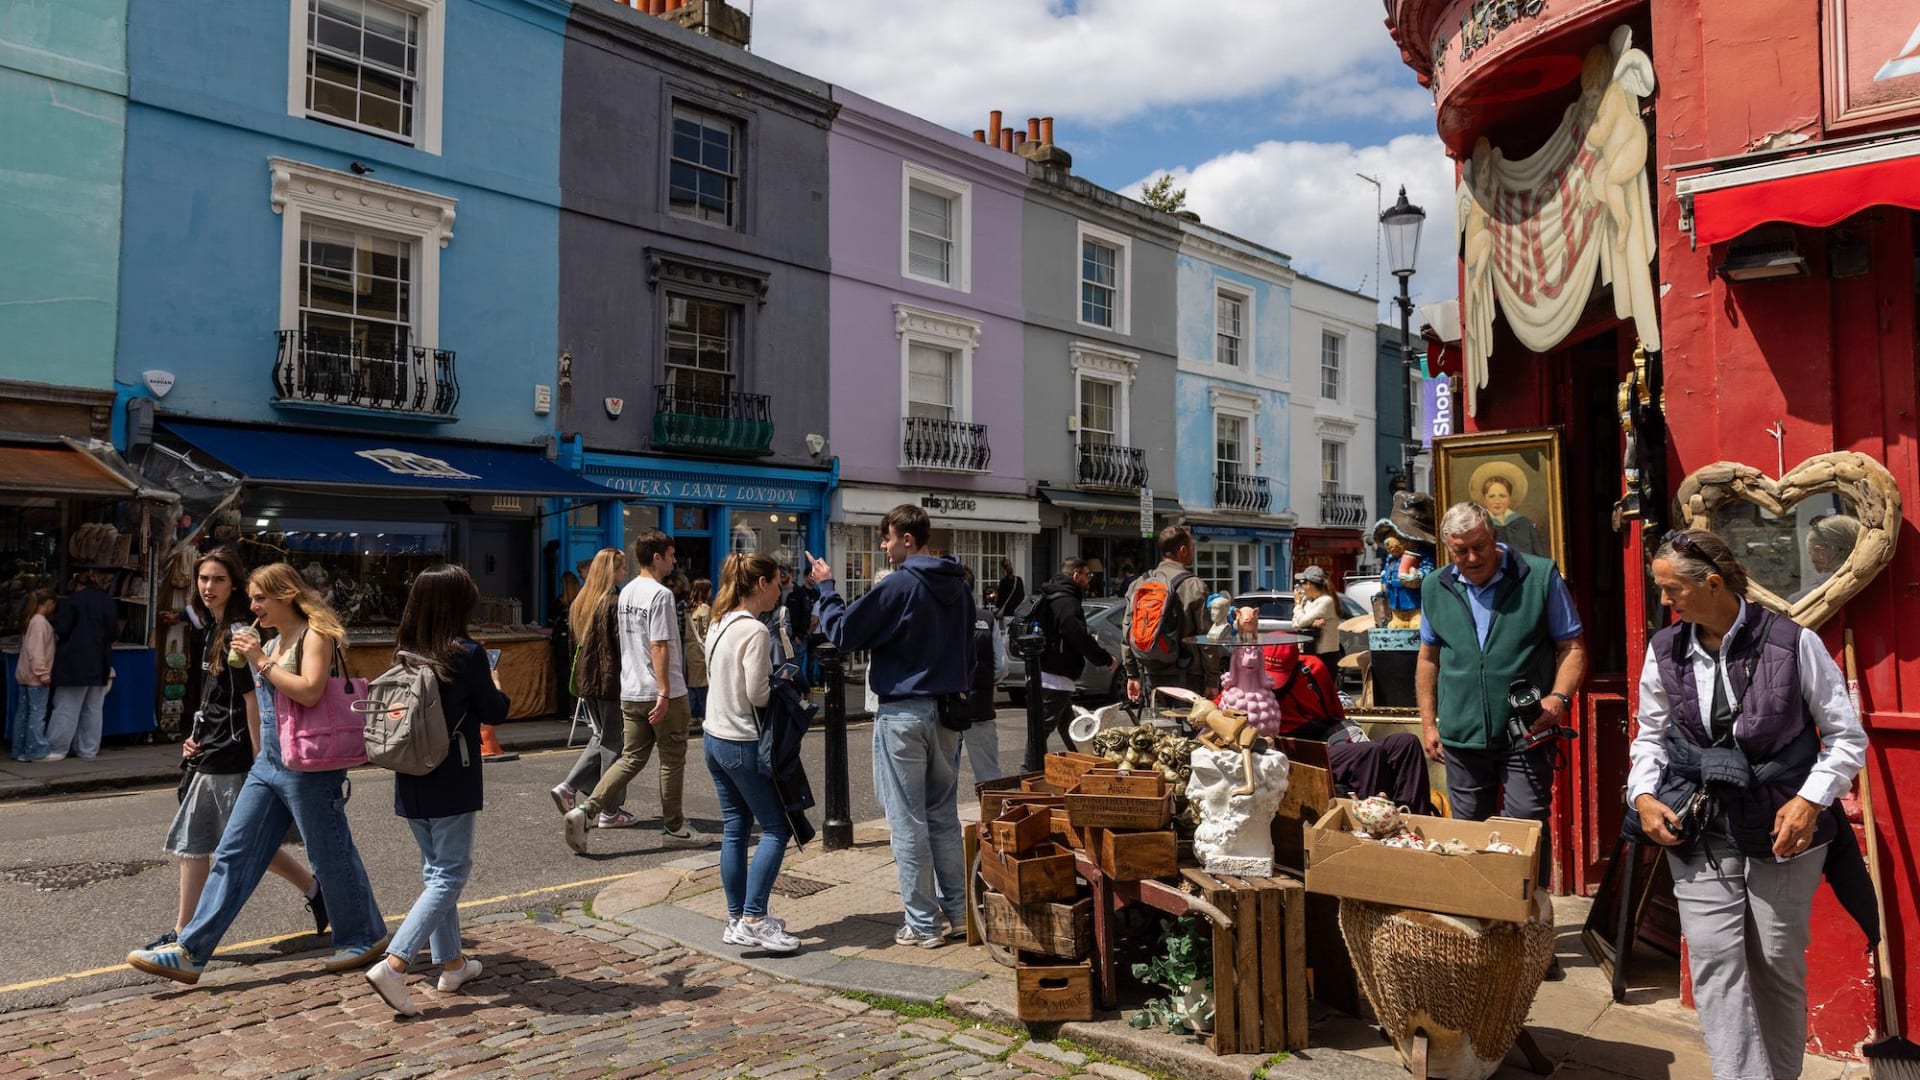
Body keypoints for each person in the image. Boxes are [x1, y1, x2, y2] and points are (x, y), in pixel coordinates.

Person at [1630, 530, 1866, 1080]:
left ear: (1711, 583)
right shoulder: (1666, 648)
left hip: (1784, 824)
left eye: (1671, 590)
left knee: (1776, 962)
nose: (1665, 601)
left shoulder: (1791, 642)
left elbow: (1847, 736)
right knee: (1714, 961)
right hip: (1700, 819)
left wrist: (1811, 801)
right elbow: (1649, 735)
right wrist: (1641, 794)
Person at [127, 563, 387, 985]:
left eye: (260, 598)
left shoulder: (312, 636)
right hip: (268, 764)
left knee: (330, 853)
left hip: (308, 764)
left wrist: (260, 660)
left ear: (286, 595)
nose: (253, 606)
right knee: (233, 852)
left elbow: (310, 691)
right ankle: (191, 950)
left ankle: (364, 935)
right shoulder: (274, 639)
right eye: (251, 598)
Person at [806, 504, 974, 948]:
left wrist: (827, 588)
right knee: (942, 815)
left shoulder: (900, 585)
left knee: (906, 820)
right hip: (947, 712)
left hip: (903, 713)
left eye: (886, 536)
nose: (882, 545)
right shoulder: (959, 585)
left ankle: (922, 924)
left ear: (907, 538)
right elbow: (969, 651)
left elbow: (842, 633)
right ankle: (957, 913)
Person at [146, 549, 325, 953]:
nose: (208, 587)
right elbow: (216, 697)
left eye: (218, 580)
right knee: (218, 842)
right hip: (211, 747)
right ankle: (316, 891)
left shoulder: (241, 633)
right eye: (203, 579)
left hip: (234, 752)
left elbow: (251, 699)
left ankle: (186, 936)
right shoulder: (214, 629)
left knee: (220, 843)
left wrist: (261, 758)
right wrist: (196, 734)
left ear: (236, 585)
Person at [1417, 501, 1585, 900]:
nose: (1472, 558)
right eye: (1461, 550)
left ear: (1494, 537)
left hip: (1526, 731)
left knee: (1525, 829)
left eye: (1479, 546)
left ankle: (1532, 932)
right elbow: (1428, 658)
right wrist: (1429, 722)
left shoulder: (1538, 576)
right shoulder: (1434, 585)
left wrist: (1557, 699)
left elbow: (1573, 647)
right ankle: (1483, 933)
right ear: (1448, 549)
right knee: (1469, 834)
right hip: (1462, 734)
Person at [363, 564, 506, 1016]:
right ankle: (396, 962)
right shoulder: (465, 653)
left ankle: (453, 964)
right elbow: (493, 710)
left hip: (410, 775)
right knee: (449, 874)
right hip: (451, 775)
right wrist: (497, 685)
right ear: (457, 604)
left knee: (435, 872)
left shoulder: (406, 652)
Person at [563, 529, 704, 853]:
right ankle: (673, 827)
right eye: (670, 556)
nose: (673, 562)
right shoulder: (660, 595)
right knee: (671, 761)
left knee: (630, 758)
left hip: (630, 691)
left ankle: (587, 811)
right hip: (661, 692)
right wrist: (665, 692)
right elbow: (658, 645)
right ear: (657, 557)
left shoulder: (625, 593)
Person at [701, 552, 802, 955]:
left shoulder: (718, 621)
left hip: (714, 736)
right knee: (776, 829)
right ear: (760, 584)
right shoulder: (756, 632)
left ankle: (735, 920)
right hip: (743, 740)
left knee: (735, 828)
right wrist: (782, 680)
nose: (781, 587)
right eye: (778, 580)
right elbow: (757, 694)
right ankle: (756, 918)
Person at [1262, 643, 1433, 814]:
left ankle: (1415, 816)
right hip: (1294, 750)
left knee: (1406, 743)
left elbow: (1335, 713)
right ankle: (1374, 822)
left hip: (1325, 739)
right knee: (1368, 753)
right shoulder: (1253, 680)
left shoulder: (1313, 668)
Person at [550, 548, 638, 827]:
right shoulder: (613, 602)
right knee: (615, 746)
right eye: (622, 569)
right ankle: (610, 811)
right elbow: (622, 647)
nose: (624, 574)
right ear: (612, 572)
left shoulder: (581, 601)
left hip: (586, 682)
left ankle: (568, 787)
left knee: (601, 738)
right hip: (610, 683)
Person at [1028, 557, 1115, 769]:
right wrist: (1103, 658)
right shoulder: (1066, 601)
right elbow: (1075, 633)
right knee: (1041, 730)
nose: (1089, 580)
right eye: (1087, 575)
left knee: (1069, 727)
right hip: (1055, 675)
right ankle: (1029, 770)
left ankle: (1084, 766)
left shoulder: (1056, 595)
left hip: (1053, 673)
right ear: (1076, 576)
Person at [1123, 525, 1219, 711]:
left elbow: (1127, 633)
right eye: (1192, 547)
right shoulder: (1194, 586)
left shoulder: (1138, 583)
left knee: (1158, 734)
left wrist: (1132, 675)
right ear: (1182, 550)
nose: (1193, 551)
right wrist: (1212, 679)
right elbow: (1208, 638)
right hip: (1189, 676)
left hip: (1151, 673)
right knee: (1190, 735)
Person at [44, 570, 118, 760]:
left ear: (78, 585)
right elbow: (113, 633)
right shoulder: (107, 601)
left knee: (66, 706)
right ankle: (88, 749)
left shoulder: (73, 601)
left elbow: (63, 628)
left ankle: (57, 748)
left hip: (74, 661)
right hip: (100, 660)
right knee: (93, 708)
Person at [958, 565, 1004, 784]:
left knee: (945, 776)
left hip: (947, 705)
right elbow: (1001, 666)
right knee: (988, 772)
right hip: (981, 703)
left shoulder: (939, 617)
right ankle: (993, 815)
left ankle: (946, 819)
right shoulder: (987, 618)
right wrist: (984, 683)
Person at [12, 588, 57, 761]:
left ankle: (19, 749)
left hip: (24, 675)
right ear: (49, 603)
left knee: (23, 713)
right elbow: (36, 652)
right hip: (35, 678)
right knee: (37, 714)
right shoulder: (40, 623)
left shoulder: (31, 620)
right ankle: (36, 749)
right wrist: (43, 674)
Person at [1474, 467, 1545, 559]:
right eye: (1492, 496)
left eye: (1502, 496)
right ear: (1484, 499)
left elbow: (1539, 558)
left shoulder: (1524, 524)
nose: (1497, 501)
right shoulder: (1480, 525)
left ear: (1510, 498)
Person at [1789, 512, 1860, 602]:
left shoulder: (1799, 603)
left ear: (1821, 554)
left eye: (1811, 553)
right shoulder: (1880, 586)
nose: (1811, 561)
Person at [1291, 565, 1342, 671]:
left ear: (1309, 584)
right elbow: (1295, 624)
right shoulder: (1307, 601)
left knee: (1324, 687)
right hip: (1308, 652)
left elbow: (1301, 621)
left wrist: (1297, 604)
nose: (1300, 588)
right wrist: (1312, 623)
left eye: (1302, 583)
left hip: (1325, 654)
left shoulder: (1326, 601)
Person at [686, 577, 712, 724]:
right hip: (701, 651)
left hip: (690, 650)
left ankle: (692, 714)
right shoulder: (705, 609)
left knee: (692, 683)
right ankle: (703, 714)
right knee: (703, 684)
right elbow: (706, 631)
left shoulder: (690, 609)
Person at [994, 557, 1026, 621]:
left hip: (1007, 612)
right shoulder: (1019, 580)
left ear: (1003, 569)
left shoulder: (1003, 582)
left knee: (1008, 630)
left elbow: (1001, 599)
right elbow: (1022, 596)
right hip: (1018, 612)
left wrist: (997, 607)